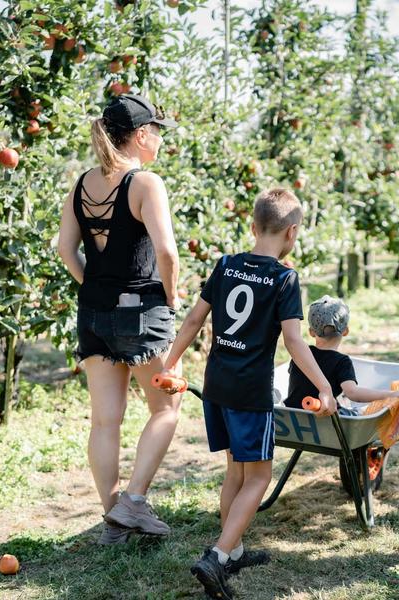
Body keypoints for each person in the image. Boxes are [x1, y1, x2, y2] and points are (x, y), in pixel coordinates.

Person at [158, 188, 335, 599]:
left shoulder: (225, 265)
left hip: (217, 385)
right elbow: (294, 341)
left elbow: (193, 321)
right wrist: (324, 385)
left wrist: (170, 363)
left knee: (236, 471)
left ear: (253, 227)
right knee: (258, 476)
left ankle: (233, 550)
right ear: (292, 232)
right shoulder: (285, 278)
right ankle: (217, 556)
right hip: (250, 392)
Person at [56, 94, 181, 545]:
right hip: (141, 311)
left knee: (105, 421)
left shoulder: (82, 184)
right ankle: (133, 502)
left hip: (93, 312)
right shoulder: (145, 183)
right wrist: (171, 296)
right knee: (166, 408)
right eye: (158, 131)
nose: (161, 140)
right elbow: (167, 253)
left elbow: (65, 249)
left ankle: (113, 520)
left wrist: (94, 285)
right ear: (142, 135)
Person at [283, 295, 399, 415]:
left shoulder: (301, 354)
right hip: (324, 416)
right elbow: (353, 393)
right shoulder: (341, 361)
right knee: (358, 413)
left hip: (291, 413)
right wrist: (390, 395)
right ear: (345, 331)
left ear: (311, 332)